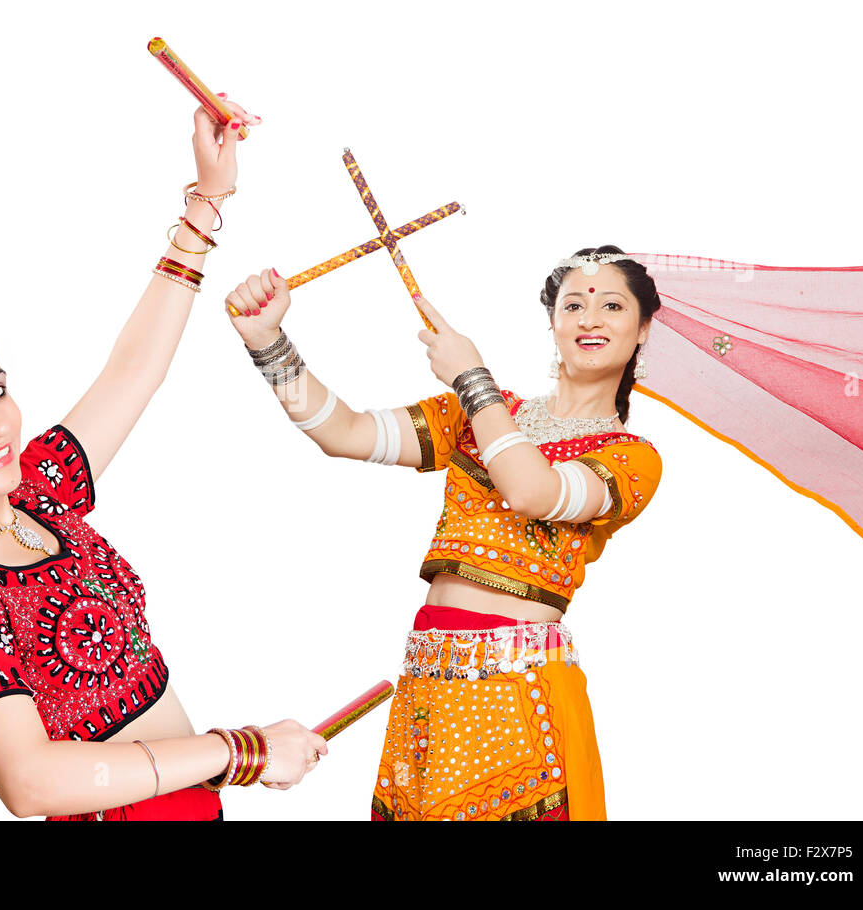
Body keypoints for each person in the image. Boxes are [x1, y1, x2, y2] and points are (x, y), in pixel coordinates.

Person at [0, 99, 327, 820]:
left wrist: (207, 201)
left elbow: (133, 372)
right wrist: (241, 751)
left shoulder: (39, 492)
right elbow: (31, 783)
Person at [223, 246, 664, 820]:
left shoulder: (630, 458)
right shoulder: (482, 415)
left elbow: (532, 490)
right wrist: (268, 343)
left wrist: (472, 379)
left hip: (518, 693)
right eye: (572, 304)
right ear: (553, 321)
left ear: (643, 329)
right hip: (428, 684)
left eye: (611, 305)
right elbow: (346, 432)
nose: (589, 318)